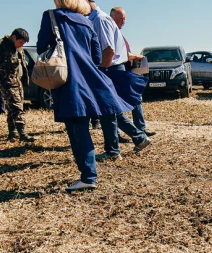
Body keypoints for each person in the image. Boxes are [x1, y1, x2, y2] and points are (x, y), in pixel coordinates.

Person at [37, 0, 137, 192]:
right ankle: (87, 174)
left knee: (76, 129)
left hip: (66, 79)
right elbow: (97, 55)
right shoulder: (85, 21)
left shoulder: (51, 16)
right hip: (87, 79)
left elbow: (42, 47)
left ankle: (88, 176)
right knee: (81, 126)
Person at [87, 0, 150, 159]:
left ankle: (113, 152)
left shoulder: (100, 20)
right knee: (112, 111)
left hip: (109, 69)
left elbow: (108, 51)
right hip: (111, 68)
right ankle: (139, 138)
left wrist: (99, 73)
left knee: (107, 111)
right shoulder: (97, 19)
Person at [110, 6, 156, 141]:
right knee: (122, 104)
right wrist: (137, 57)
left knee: (134, 100)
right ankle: (133, 134)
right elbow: (119, 54)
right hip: (118, 73)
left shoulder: (118, 33)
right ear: (113, 18)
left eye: (124, 19)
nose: (123, 21)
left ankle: (138, 131)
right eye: (121, 19)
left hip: (124, 72)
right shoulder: (111, 32)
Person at [0, 29, 35, 142]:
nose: (21, 45)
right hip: (5, 81)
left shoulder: (19, 48)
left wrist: (25, 79)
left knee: (11, 107)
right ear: (14, 37)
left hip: (17, 80)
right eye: (20, 42)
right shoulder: (0, 45)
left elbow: (23, 64)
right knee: (17, 106)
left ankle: (13, 133)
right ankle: (22, 133)